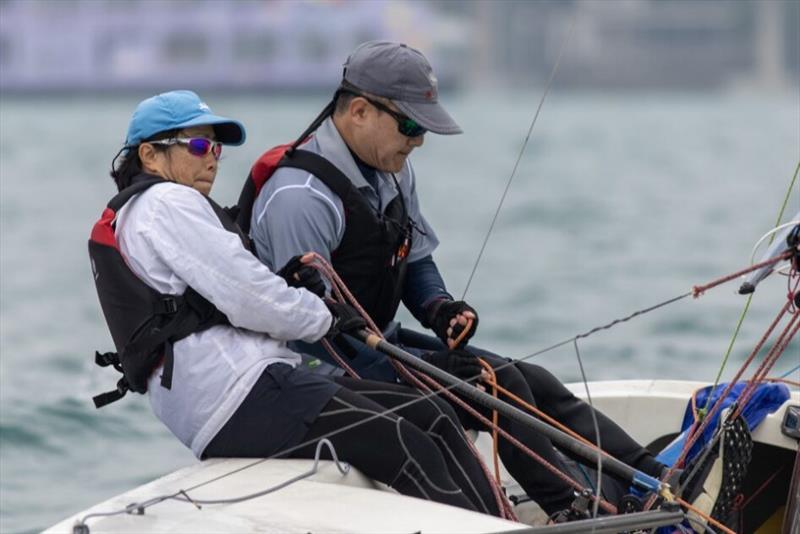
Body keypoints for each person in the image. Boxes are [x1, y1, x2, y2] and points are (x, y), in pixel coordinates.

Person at [246, 41, 668, 516]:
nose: (418, 140)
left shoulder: (392, 169)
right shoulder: (300, 198)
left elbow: (416, 259)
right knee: (488, 386)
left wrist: (440, 308)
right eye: (409, 126)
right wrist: (416, 371)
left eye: (422, 128)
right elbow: (311, 334)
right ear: (360, 111)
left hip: (378, 343)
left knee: (529, 379)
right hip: (319, 369)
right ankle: (574, 509)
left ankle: (652, 474)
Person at [88, 90, 505, 516]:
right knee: (408, 440)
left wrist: (287, 284)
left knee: (431, 415)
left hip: (246, 387)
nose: (211, 158)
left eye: (216, 148)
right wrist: (323, 316)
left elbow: (228, 291)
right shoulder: (167, 204)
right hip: (236, 396)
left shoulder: (148, 213)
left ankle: (497, 523)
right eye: (197, 145)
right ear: (150, 155)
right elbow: (249, 296)